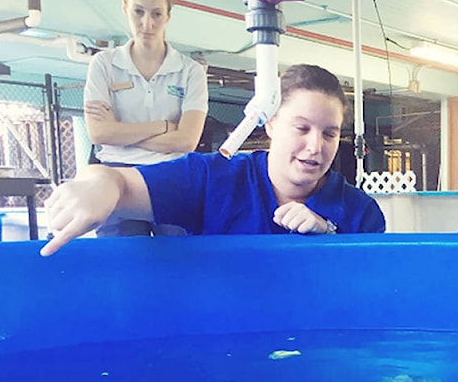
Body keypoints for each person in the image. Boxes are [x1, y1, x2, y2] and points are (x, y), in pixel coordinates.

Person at [40, 64, 385, 257]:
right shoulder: (212, 179)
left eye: (329, 133)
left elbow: (368, 297)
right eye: (302, 128)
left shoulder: (360, 213)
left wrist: (327, 234)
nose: (315, 146)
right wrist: (99, 184)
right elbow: (118, 181)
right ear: (271, 121)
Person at [83, 0, 208, 237]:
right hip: (118, 175)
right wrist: (163, 126)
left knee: (181, 262)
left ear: (168, 15)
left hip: (173, 174)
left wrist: (120, 131)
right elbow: (98, 133)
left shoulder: (191, 71)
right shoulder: (103, 64)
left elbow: (186, 141)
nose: (147, 23)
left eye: (157, 14)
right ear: (125, 8)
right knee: (123, 263)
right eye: (138, 12)